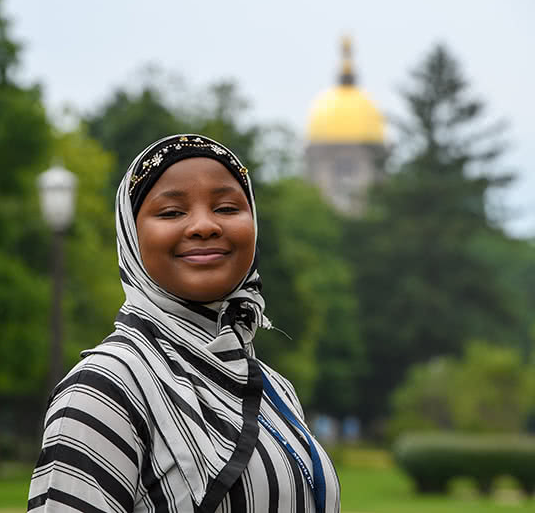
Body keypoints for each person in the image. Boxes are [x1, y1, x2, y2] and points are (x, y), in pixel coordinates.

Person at [28, 134, 341, 512]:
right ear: (131, 235)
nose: (204, 226)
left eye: (226, 208)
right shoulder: (105, 388)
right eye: (172, 212)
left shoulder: (274, 389)